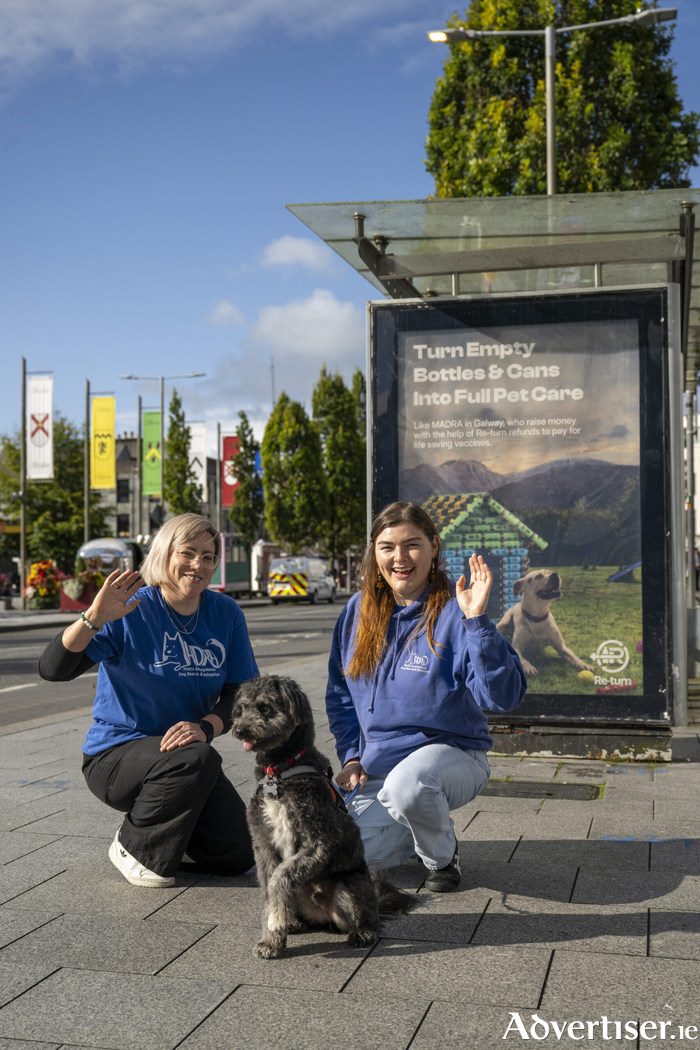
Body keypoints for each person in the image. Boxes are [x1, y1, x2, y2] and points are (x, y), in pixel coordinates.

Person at [38, 513, 257, 888]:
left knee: (238, 854)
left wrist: (205, 727)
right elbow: (54, 669)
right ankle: (135, 846)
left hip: (185, 758)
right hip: (117, 756)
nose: (198, 565)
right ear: (164, 554)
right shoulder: (132, 606)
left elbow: (241, 692)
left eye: (208, 556)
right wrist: (93, 617)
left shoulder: (225, 612)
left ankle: (172, 838)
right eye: (187, 553)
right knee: (196, 757)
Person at [326, 501, 527, 892]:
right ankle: (413, 824)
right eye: (387, 547)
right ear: (374, 553)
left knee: (410, 787)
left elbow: (502, 698)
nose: (399, 558)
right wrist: (351, 756)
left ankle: (440, 857)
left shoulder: (457, 609)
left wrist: (479, 623)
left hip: (451, 758)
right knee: (332, 863)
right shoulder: (356, 611)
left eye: (412, 545)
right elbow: (340, 695)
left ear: (434, 546)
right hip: (377, 769)